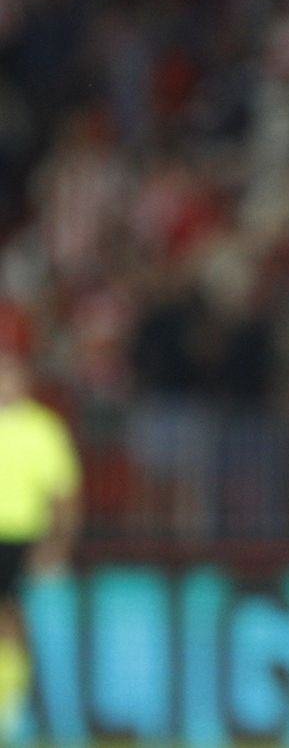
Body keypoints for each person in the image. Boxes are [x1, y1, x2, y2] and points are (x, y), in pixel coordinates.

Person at [0, 305, 81, 740]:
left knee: (13, 621)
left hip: (22, 536)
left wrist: (57, 545)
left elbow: (65, 494)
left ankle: (13, 710)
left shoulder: (43, 428)